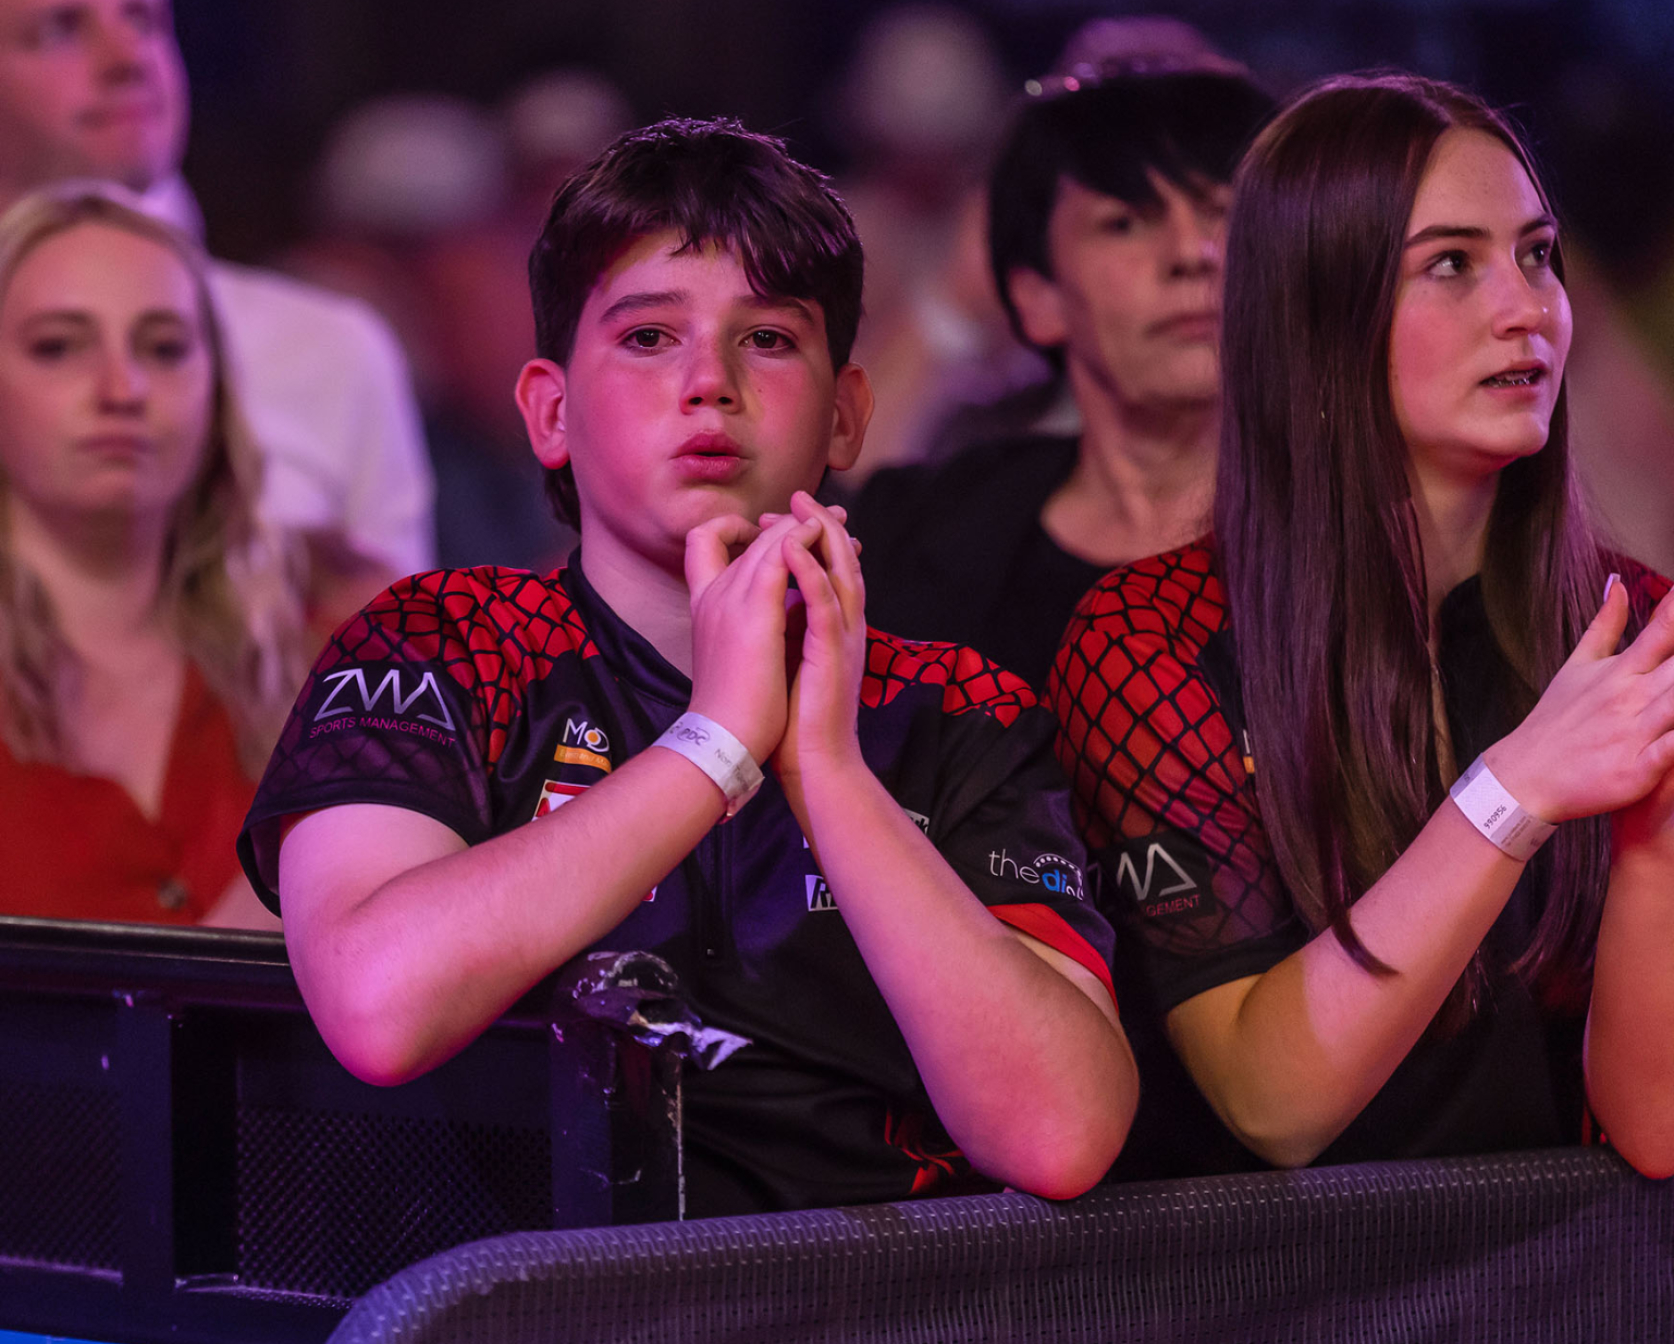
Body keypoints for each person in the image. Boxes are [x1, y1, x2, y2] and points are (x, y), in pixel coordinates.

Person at [237, 120, 1136, 1219]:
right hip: (529, 1307)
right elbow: (379, 1009)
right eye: (650, 338)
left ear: (848, 414)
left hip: (876, 1307)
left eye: (767, 340)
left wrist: (827, 771)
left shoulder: (962, 707)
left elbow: (1060, 1133)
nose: (711, 384)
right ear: (551, 412)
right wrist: (712, 743)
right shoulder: (440, 639)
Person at [1051, 74, 1674, 1181]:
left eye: (1538, 254)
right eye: (1451, 264)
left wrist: (1649, 834)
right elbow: (1274, 1102)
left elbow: (1661, 1131)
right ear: (1319, 314)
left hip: (1564, 1291)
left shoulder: (1633, 630)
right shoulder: (1149, 644)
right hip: (1269, 1297)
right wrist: (1518, 791)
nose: (1528, 308)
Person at [850, 59, 1276, 691]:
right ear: (1038, 297)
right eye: (1126, 221)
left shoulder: (1371, 530)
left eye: (1222, 212)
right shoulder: (926, 533)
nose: (1194, 253)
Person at [0, 0, 435, 616]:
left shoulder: (330, 348)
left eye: (144, 21)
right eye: (61, 29)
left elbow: (404, 685)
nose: (128, 58)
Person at [0, 184, 301, 928]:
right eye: (58, 346)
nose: (121, 389)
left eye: (164, 348)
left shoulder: (332, 660)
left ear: (216, 389)